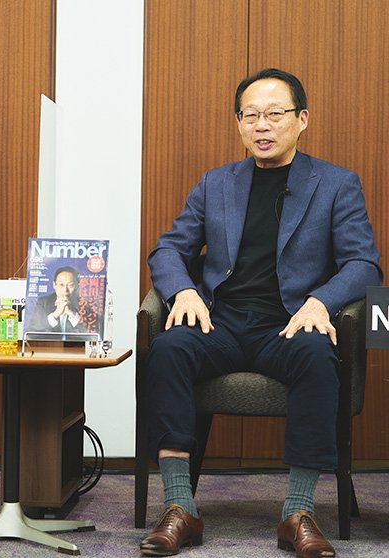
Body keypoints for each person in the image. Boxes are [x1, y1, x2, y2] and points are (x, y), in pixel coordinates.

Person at [141, 68, 382, 557]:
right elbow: (168, 249)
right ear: (239, 124)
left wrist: (321, 302)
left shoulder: (336, 184)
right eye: (250, 116)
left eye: (275, 114)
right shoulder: (216, 183)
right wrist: (183, 291)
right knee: (169, 348)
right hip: (221, 321)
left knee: (318, 354)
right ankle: (179, 507)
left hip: (289, 323)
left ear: (302, 119)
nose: (262, 125)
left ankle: (298, 512)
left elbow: (364, 263)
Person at [26, 266, 87, 334]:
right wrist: (55, 315)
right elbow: (33, 332)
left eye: (70, 285)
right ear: (54, 285)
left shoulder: (84, 304)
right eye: (61, 285)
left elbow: (91, 334)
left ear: (77, 286)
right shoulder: (43, 303)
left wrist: (72, 315)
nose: (65, 290)